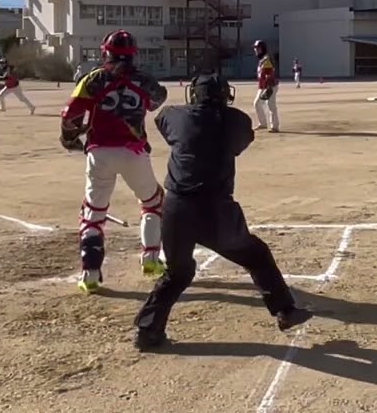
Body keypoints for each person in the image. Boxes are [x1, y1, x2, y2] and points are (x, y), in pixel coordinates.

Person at [132, 73, 313, 350]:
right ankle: (285, 311)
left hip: (176, 209)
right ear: (224, 95)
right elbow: (241, 141)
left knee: (178, 273)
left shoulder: (174, 115)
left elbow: (162, 122)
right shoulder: (237, 121)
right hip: (215, 210)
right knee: (256, 255)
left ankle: (147, 331)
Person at [61, 30, 170, 293]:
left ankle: (90, 273)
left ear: (104, 51)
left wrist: (72, 137)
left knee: (93, 213)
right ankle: (151, 260)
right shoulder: (144, 81)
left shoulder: (93, 79)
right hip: (134, 152)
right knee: (153, 202)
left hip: (100, 153)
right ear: (134, 54)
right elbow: (159, 98)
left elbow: (70, 116)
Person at [253, 39, 279, 132]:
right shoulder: (262, 59)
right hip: (263, 86)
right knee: (257, 103)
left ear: (262, 49)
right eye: (255, 48)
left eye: (257, 48)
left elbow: (269, 74)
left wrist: (268, 88)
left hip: (269, 85)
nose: (255, 50)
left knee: (271, 105)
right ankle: (263, 124)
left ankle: (274, 127)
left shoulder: (266, 59)